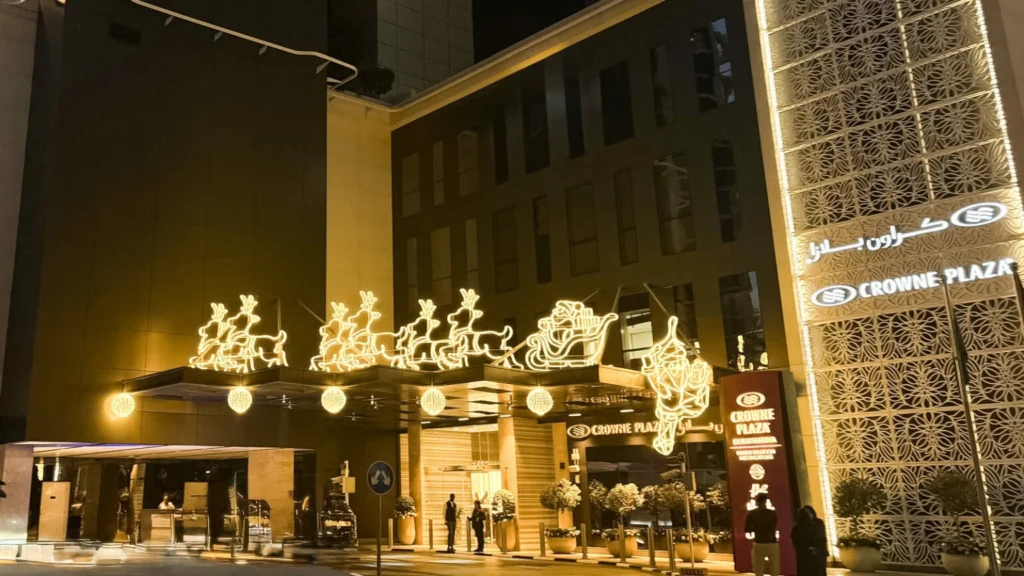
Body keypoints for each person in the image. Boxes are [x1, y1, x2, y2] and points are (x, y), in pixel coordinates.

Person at [744, 493, 779, 576]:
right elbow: (774, 526)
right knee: (774, 569)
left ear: (756, 502)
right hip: (772, 543)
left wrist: (757, 528)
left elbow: (746, 529)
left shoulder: (752, 513)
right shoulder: (772, 513)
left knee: (758, 569)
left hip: (759, 543)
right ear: (766, 501)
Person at [791, 505, 827, 576]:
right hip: (805, 555)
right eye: (807, 513)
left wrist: (816, 548)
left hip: (819, 553)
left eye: (810, 512)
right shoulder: (797, 528)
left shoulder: (818, 523)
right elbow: (796, 542)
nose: (810, 515)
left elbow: (822, 538)